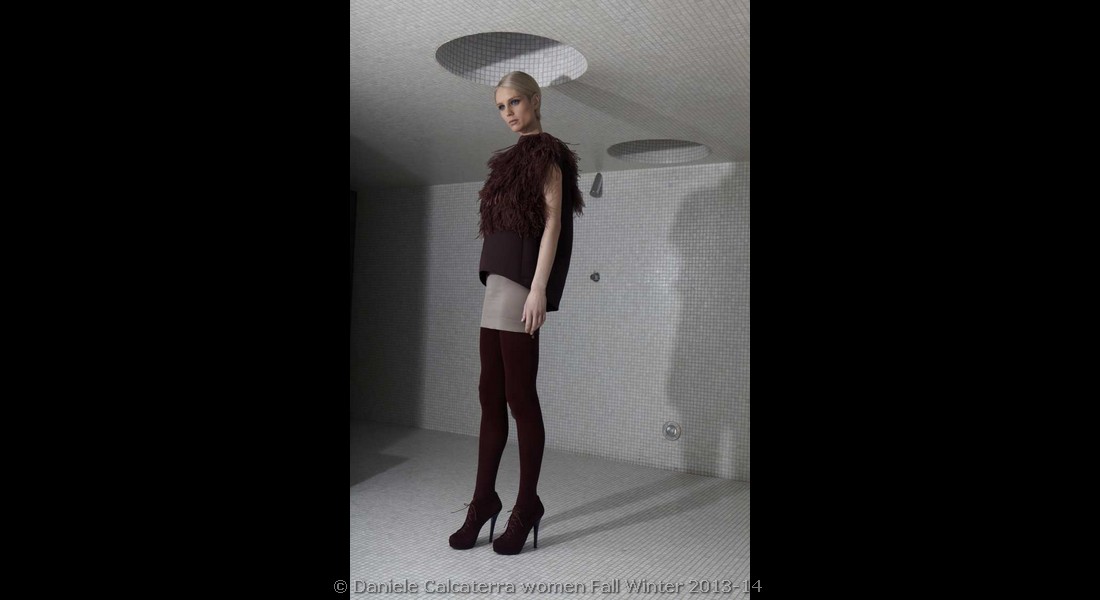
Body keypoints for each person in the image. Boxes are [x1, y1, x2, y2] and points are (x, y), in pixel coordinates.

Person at [448, 71, 584, 555]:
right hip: (496, 285)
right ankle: (483, 500)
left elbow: (552, 225)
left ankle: (527, 506)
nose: (508, 113)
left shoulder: (548, 155)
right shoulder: (507, 162)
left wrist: (539, 290)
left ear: (535, 100)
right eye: (501, 106)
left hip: (522, 286)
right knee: (489, 396)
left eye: (515, 103)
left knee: (520, 398)